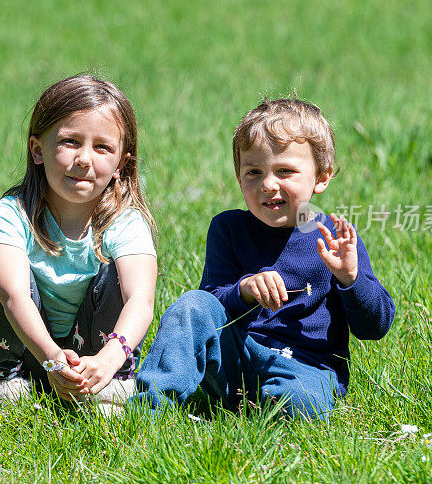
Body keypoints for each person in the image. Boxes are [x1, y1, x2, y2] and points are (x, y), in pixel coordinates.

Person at [135, 98, 395, 420]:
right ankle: (150, 407)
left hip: (306, 365)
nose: (268, 185)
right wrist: (244, 289)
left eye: (285, 171)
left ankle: (271, 408)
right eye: (254, 172)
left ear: (321, 177)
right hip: (238, 357)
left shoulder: (336, 239)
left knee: (300, 400)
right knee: (191, 305)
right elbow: (209, 304)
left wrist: (350, 278)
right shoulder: (228, 228)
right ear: (238, 175)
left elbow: (375, 326)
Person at [0, 75, 157, 414]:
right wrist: (52, 360)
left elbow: (140, 301)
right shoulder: (12, 215)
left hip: (97, 354)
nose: (84, 159)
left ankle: (111, 385)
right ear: (38, 150)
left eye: (102, 147)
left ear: (120, 164)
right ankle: (0, 381)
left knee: (117, 278)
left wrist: (110, 357)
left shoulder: (125, 222)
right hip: (27, 349)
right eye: (70, 142)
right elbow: (14, 297)